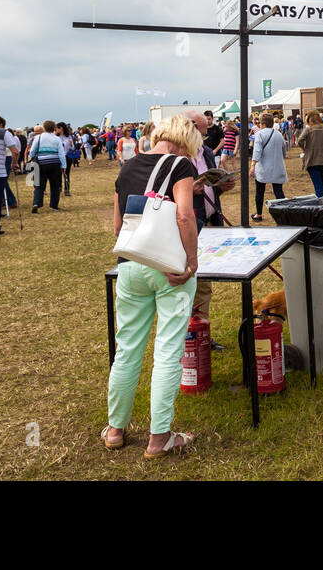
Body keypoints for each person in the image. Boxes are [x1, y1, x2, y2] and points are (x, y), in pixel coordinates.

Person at [104, 114, 201, 459]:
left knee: (127, 348)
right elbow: (185, 216)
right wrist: (192, 261)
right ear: (186, 139)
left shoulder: (127, 166)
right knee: (167, 351)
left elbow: (118, 227)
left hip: (131, 266)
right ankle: (159, 438)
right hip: (168, 269)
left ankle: (116, 429)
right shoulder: (181, 166)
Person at [250, 113, 288, 219]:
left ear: (262, 123)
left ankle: (259, 214)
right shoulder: (279, 134)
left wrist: (252, 165)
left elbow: (257, 151)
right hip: (277, 166)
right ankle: (285, 214)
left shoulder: (260, 134)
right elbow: (284, 151)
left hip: (263, 167)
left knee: (259, 191)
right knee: (278, 192)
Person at [27, 120, 66, 212]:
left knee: (38, 185)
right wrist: (64, 165)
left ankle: (36, 203)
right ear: (54, 128)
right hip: (54, 164)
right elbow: (61, 154)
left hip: (40, 163)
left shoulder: (38, 137)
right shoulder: (57, 139)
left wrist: (33, 158)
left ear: (44, 128)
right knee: (55, 185)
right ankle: (54, 205)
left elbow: (32, 151)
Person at [297, 111, 323, 197]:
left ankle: (321, 206)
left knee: (318, 187)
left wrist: (305, 148)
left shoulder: (308, 129)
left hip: (312, 160)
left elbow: (299, 141)